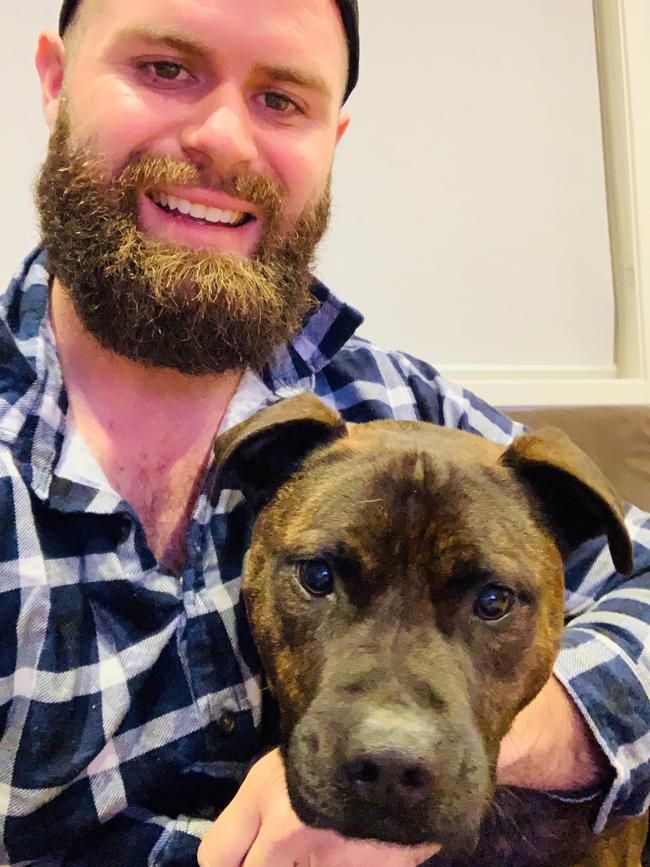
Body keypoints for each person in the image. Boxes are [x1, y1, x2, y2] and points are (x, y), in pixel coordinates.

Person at [0, 0, 648, 864]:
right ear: (55, 80)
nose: (225, 139)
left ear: (331, 138)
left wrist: (521, 730)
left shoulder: (396, 407)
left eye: (282, 99)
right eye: (165, 68)